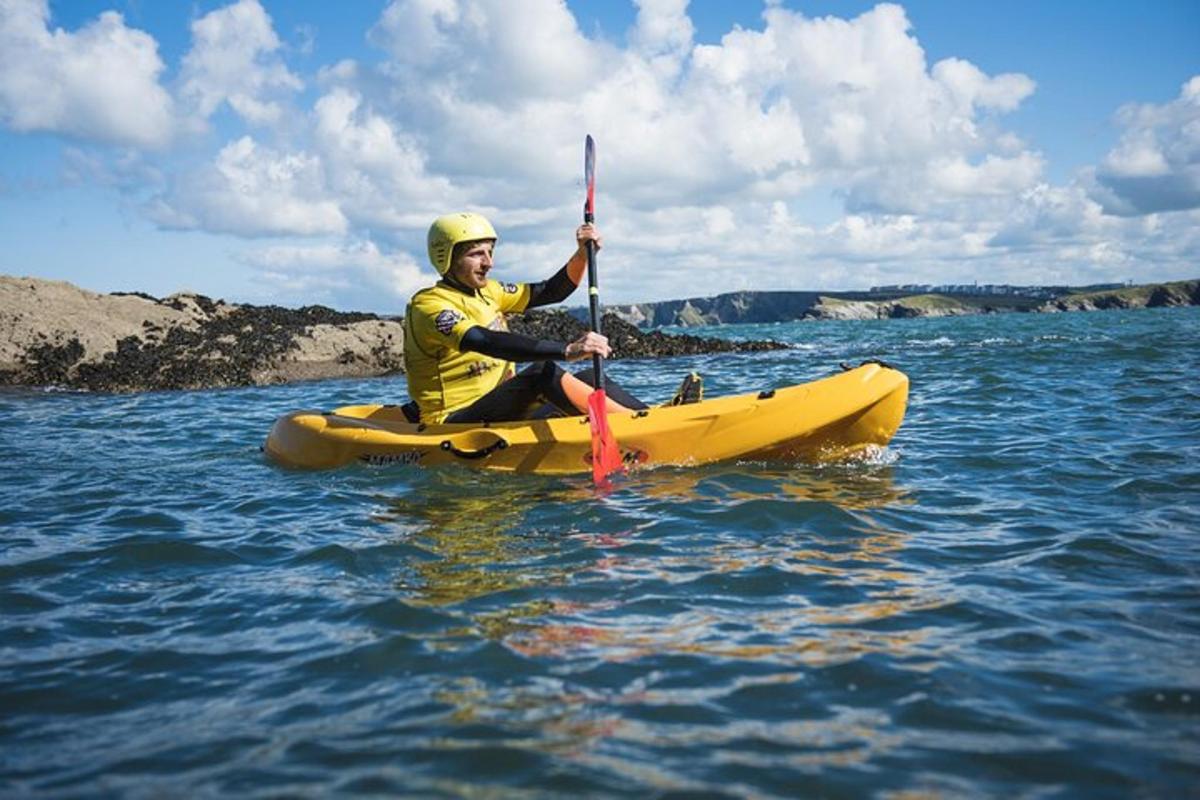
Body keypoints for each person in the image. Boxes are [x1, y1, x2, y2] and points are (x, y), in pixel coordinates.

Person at [403, 212, 701, 425]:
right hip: (454, 420)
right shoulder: (429, 306)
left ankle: (658, 418)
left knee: (585, 378)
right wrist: (567, 349)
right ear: (447, 258)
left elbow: (550, 292)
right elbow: (485, 340)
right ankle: (637, 426)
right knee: (541, 372)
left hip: (503, 408)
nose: (489, 263)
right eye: (476, 255)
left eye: (490, 253)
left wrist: (582, 255)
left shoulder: (490, 292)